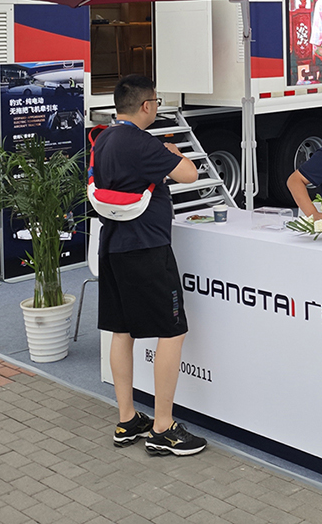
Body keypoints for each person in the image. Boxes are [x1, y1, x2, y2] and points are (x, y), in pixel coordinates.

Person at [92, 75, 207, 456]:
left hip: (113, 247)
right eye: (156, 102)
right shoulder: (143, 143)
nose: (157, 107)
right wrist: (173, 153)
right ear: (146, 106)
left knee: (122, 331)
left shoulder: (104, 139)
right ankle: (163, 427)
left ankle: (127, 420)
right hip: (147, 249)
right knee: (171, 332)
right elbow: (189, 174)